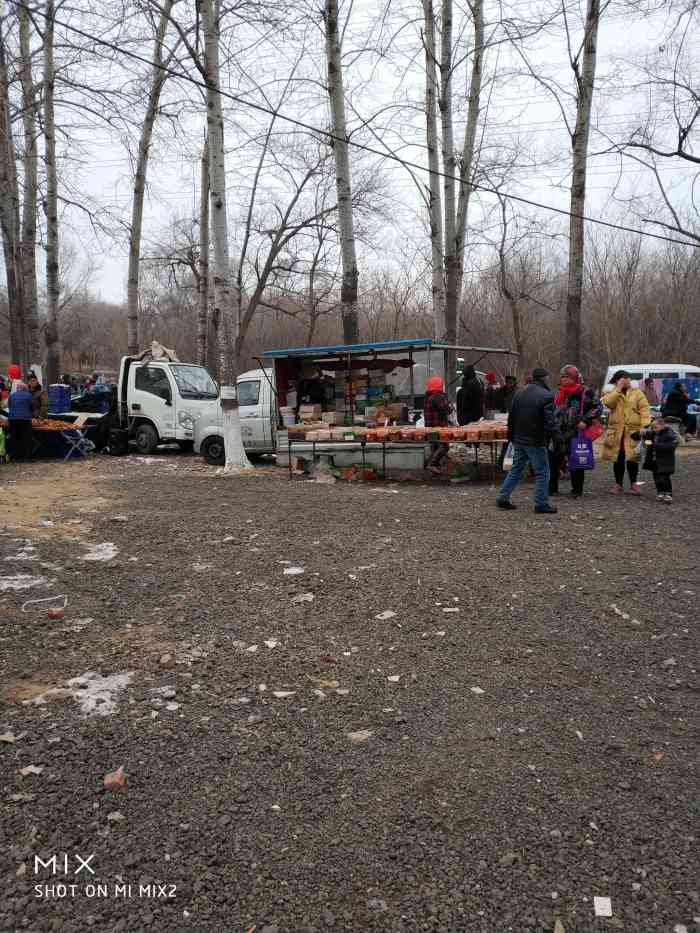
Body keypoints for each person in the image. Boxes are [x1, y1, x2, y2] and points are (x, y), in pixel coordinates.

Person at [496, 367, 561, 514]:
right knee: (543, 471)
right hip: (536, 440)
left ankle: (503, 497)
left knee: (516, 469)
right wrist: (557, 437)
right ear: (544, 378)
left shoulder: (520, 393)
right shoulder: (547, 395)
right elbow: (550, 421)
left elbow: (511, 418)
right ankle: (541, 503)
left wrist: (511, 437)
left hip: (519, 439)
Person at [549, 365, 602, 498]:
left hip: (576, 432)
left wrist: (586, 420)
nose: (563, 379)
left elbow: (597, 407)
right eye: (562, 376)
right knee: (553, 461)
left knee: (577, 461)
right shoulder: (557, 392)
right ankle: (552, 489)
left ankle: (576, 490)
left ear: (574, 377)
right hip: (557, 432)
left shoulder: (585, 391)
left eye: (566, 376)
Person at [601, 370, 651, 494]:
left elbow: (644, 409)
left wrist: (645, 425)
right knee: (617, 458)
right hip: (617, 432)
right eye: (623, 378)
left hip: (632, 431)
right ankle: (618, 484)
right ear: (617, 380)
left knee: (632, 458)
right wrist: (618, 389)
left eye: (628, 378)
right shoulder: (611, 392)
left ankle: (634, 484)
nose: (626, 380)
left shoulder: (637, 392)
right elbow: (608, 403)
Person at [631, 416, 678, 504]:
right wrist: (642, 430)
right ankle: (660, 492)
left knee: (664, 477)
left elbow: (671, 447)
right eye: (652, 427)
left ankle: (668, 493)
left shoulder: (670, 434)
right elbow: (633, 436)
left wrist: (653, 445)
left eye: (655, 427)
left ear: (662, 425)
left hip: (666, 461)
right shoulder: (652, 433)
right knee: (656, 478)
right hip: (654, 461)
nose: (653, 429)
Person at [424, 375, 452, 473]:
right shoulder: (437, 397)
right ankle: (432, 464)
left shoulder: (428, 396)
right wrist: (449, 405)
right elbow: (447, 410)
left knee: (434, 446)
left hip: (430, 427)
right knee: (444, 446)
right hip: (438, 427)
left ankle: (432, 465)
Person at [8, 380, 34, 461]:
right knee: (26, 438)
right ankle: (27, 456)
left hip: (13, 419)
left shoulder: (12, 396)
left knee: (14, 437)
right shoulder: (29, 395)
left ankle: (14, 456)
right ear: (25, 388)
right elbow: (32, 407)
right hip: (25, 419)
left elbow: (10, 406)